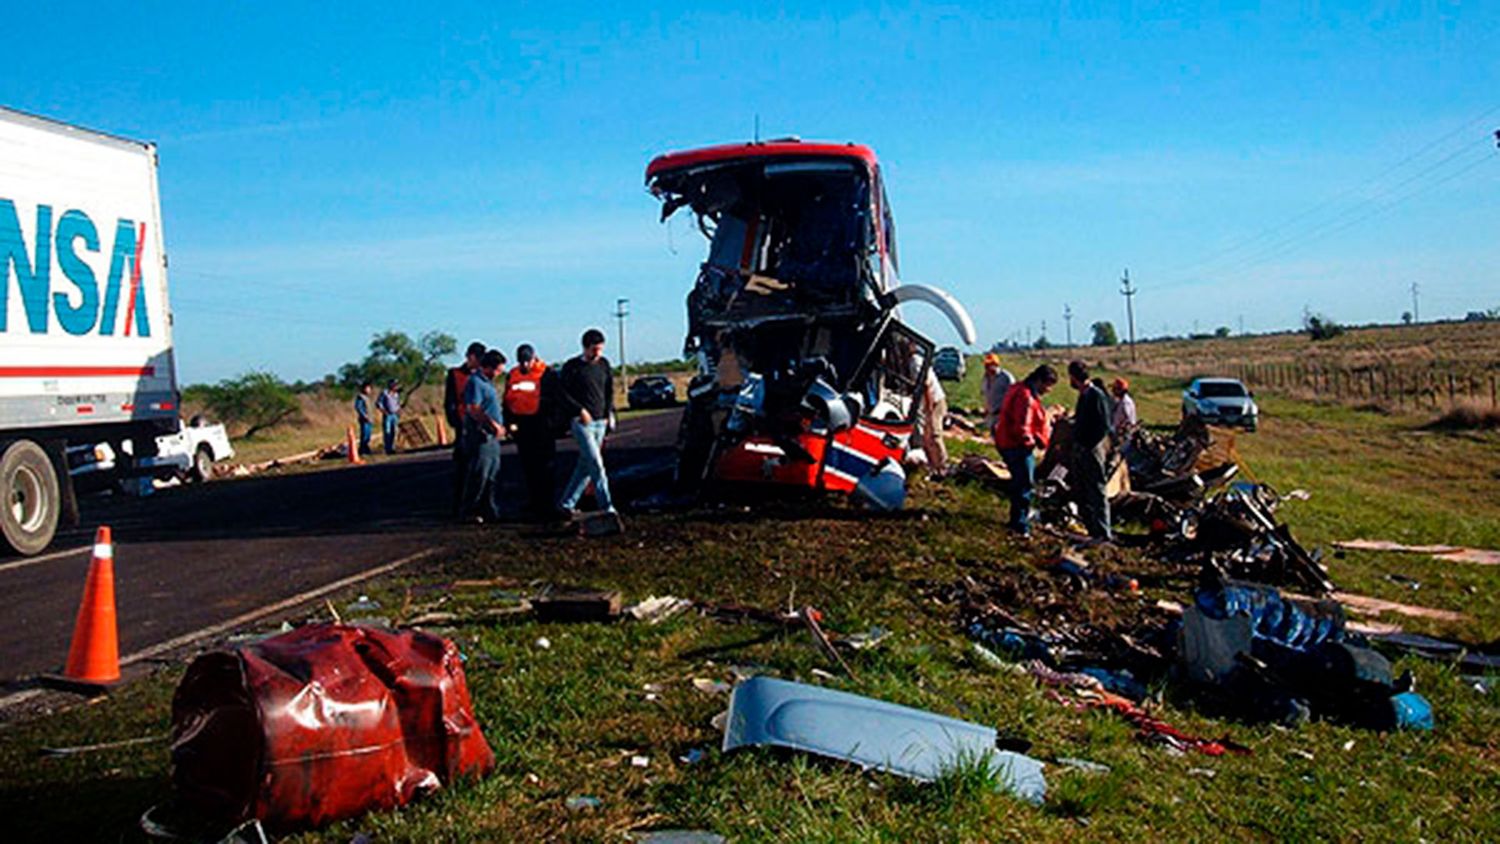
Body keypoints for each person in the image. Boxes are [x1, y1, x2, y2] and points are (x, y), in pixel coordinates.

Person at [993, 365, 1058, 536]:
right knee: (1024, 485)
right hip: (1016, 446)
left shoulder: (1019, 388)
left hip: (1006, 441)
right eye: (1048, 385)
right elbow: (1022, 427)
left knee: (1018, 484)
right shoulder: (1026, 397)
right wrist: (1033, 443)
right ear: (1039, 381)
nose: (1049, 390)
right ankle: (1020, 526)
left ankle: (1016, 520)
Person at [558, 328, 615, 516]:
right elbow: (563, 394)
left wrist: (609, 413)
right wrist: (579, 410)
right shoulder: (572, 367)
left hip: (600, 421)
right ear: (585, 347)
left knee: (585, 466)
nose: (597, 354)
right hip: (581, 423)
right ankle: (606, 505)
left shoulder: (604, 365)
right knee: (596, 463)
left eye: (600, 349)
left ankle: (567, 503)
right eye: (594, 350)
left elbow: (609, 390)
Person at [504, 343, 558, 520]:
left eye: (527, 361)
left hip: (541, 425)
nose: (525, 365)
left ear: (534, 358)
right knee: (529, 466)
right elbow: (507, 400)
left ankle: (547, 503)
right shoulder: (513, 375)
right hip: (523, 425)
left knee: (546, 466)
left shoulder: (546, 373)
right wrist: (509, 422)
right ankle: (534, 501)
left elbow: (555, 400)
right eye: (522, 361)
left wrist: (553, 423)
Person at [459, 350, 506, 523]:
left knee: (493, 472)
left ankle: (488, 508)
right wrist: (492, 425)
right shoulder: (475, 383)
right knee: (480, 473)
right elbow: (474, 409)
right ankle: (470, 510)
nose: (499, 373)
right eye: (498, 370)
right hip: (481, 435)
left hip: (492, 437)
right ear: (488, 368)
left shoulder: (488, 383)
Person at [1069, 360, 1113, 541]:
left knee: (1096, 489)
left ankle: (1103, 532)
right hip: (1082, 447)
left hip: (1092, 448)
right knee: (1082, 490)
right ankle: (1092, 529)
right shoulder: (1084, 395)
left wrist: (1088, 444)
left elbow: (1103, 425)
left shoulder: (1096, 395)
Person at [444, 342, 486, 514]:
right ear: (470, 357)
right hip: (463, 426)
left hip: (481, 425)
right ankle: (459, 505)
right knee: (463, 467)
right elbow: (450, 402)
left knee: (481, 467)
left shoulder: (483, 375)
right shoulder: (455, 374)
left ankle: (478, 505)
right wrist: (456, 423)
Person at [918, 364, 949, 472]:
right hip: (929, 403)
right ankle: (933, 466)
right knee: (926, 437)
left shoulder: (915, 363)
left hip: (934, 402)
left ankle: (942, 467)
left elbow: (926, 385)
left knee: (933, 434)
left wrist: (929, 409)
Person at [981, 353, 1015, 433]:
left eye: (990, 364)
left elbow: (1013, 395)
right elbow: (985, 395)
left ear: (996, 364)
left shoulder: (1006, 377)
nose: (987, 367)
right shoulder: (985, 378)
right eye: (986, 364)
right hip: (991, 416)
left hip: (1003, 415)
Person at [377, 379, 402, 455]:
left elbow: (397, 403)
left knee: (394, 431)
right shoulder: (384, 393)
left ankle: (392, 447)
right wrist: (383, 411)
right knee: (387, 431)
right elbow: (378, 403)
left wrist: (399, 410)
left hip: (395, 415)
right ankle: (388, 448)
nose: (395, 386)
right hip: (388, 415)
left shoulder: (396, 394)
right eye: (394, 384)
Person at [354, 382, 374, 455]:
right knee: (364, 434)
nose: (369, 390)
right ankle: (362, 449)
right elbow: (358, 407)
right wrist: (364, 415)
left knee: (368, 435)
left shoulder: (368, 398)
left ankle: (366, 448)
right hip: (364, 419)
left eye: (370, 388)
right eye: (367, 388)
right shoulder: (360, 397)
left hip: (370, 419)